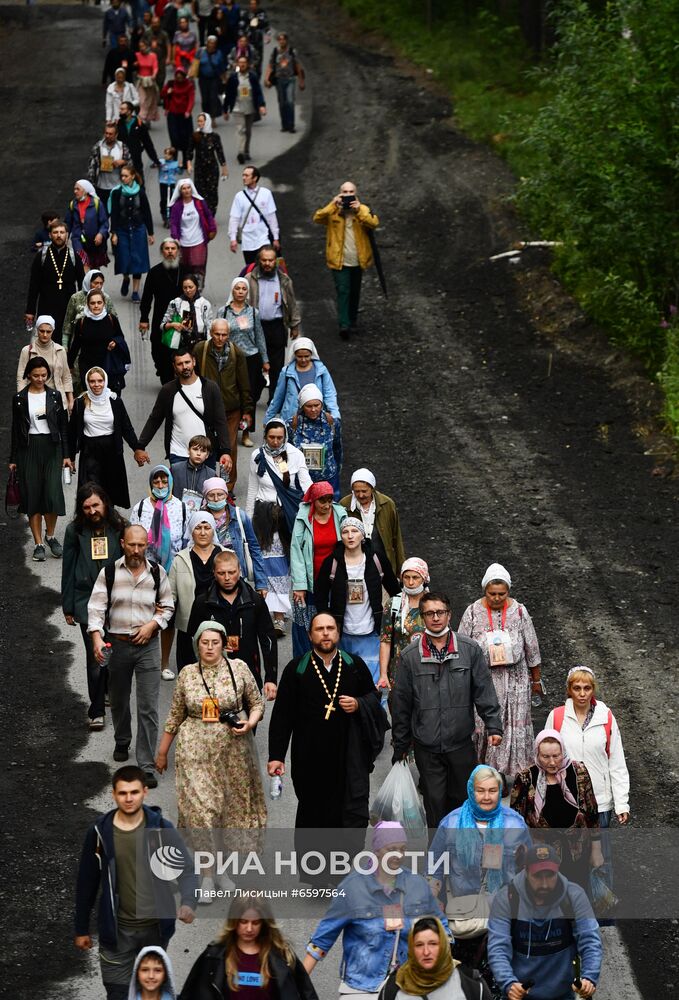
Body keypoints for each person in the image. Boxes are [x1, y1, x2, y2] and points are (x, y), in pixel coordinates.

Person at [155, 621, 266, 892]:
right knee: (202, 812)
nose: (209, 647)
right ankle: (206, 874)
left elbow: (257, 703)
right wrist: (162, 751)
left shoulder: (238, 668)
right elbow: (175, 714)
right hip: (195, 750)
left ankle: (222, 872)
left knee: (228, 813)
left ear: (224, 644)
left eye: (215, 642)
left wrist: (250, 723)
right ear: (196, 644)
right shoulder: (187, 674)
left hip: (233, 752)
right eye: (204, 642)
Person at [74, 766, 196, 1000]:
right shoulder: (100, 833)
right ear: (113, 794)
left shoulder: (161, 829)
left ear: (145, 792)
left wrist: (189, 902)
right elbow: (86, 882)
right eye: (122, 793)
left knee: (150, 993)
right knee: (118, 994)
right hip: (116, 931)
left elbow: (187, 871)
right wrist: (81, 928)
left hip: (156, 931)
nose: (128, 798)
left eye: (134, 792)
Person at [391, 592, 503, 828]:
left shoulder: (469, 650)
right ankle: (438, 857)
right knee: (434, 804)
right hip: (427, 747)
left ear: (449, 615)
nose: (435, 618)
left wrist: (493, 725)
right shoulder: (411, 656)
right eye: (429, 613)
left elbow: (484, 690)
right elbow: (401, 703)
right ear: (422, 617)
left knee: (463, 803)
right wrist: (400, 745)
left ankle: (463, 856)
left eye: (440, 612)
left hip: (461, 744)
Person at [268, 612, 387, 831]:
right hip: (309, 758)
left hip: (348, 756)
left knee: (348, 815)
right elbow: (282, 716)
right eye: (319, 629)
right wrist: (276, 756)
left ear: (338, 633)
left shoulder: (354, 665)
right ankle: (313, 863)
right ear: (310, 635)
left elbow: (374, 698)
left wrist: (359, 704)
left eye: (330, 629)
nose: (325, 634)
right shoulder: (297, 669)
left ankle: (345, 863)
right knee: (312, 815)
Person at [304, 823, 447, 999]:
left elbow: (442, 928)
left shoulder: (417, 884)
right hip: (362, 986)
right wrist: (295, 985)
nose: (398, 855)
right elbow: (321, 941)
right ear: (377, 850)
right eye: (391, 849)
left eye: (402, 849)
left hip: (407, 984)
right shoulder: (352, 888)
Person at [428, 766, 532, 984]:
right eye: (480, 790)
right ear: (470, 791)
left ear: (500, 791)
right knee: (463, 983)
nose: (486, 797)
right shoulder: (451, 823)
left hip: (504, 917)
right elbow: (434, 867)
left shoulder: (516, 824)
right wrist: (435, 900)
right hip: (463, 918)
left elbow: (527, 870)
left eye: (492, 791)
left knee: (500, 982)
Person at [87, 525, 175, 784]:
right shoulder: (110, 572)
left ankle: (146, 764)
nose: (137, 551)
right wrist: (96, 637)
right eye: (132, 545)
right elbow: (96, 607)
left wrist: (152, 625)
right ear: (123, 543)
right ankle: (122, 740)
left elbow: (168, 607)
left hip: (148, 647)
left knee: (148, 705)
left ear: (147, 545)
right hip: (118, 644)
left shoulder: (158, 573)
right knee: (119, 700)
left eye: (141, 545)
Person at [458, 563, 542, 778]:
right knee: (483, 722)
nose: (496, 598)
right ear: (484, 590)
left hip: (515, 678)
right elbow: (462, 645)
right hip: (483, 677)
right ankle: (485, 772)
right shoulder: (472, 612)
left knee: (513, 723)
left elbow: (531, 646)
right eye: (492, 593)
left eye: (501, 594)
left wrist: (536, 680)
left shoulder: (520, 611)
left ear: (509, 591)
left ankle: (512, 773)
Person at [487, 845, 602, 1000]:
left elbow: (591, 941)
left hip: (563, 995)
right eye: (537, 876)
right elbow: (498, 947)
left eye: (550, 875)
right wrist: (509, 983)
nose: (545, 884)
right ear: (526, 871)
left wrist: (589, 978)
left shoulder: (574, 896)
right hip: (521, 994)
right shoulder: (507, 899)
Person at [62, 483, 125, 731]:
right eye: (86, 507)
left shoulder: (120, 527)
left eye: (96, 505)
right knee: (95, 656)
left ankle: (108, 690)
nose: (92, 511)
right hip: (86, 601)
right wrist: (68, 606)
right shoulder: (75, 531)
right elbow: (68, 568)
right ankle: (96, 709)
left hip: (116, 601)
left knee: (114, 651)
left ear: (105, 504)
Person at [510, 730, 603, 894]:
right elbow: (516, 819)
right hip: (542, 854)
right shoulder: (525, 778)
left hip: (577, 850)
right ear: (537, 754)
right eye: (545, 757)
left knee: (575, 897)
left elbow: (592, 811)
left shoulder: (578, 771)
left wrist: (596, 849)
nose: (552, 762)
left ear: (563, 752)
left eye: (556, 756)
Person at [245, 419, 311, 636]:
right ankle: (266, 612)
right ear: (265, 436)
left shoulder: (296, 455)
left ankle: (280, 616)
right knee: (264, 564)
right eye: (271, 437)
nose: (275, 442)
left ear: (285, 437)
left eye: (279, 438)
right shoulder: (257, 456)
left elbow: (306, 485)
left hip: (286, 517)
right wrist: (247, 520)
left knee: (282, 567)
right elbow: (253, 488)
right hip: (263, 517)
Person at [180, 897, 318, 1000]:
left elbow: (307, 993)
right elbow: (189, 993)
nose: (249, 928)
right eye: (243, 922)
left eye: (256, 922)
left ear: (264, 922)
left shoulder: (282, 955)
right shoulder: (214, 955)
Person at [315, 517, 400, 685]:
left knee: (374, 681)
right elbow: (320, 596)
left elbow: (395, 591)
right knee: (346, 681)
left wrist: (392, 619)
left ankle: (374, 711)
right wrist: (327, 622)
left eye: (354, 531)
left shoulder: (376, 560)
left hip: (372, 633)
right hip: (343, 634)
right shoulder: (331, 563)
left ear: (363, 535)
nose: (350, 536)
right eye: (345, 532)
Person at [545, 666, 630, 828]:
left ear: (593, 690)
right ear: (569, 690)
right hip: (565, 798)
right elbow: (545, 760)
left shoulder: (606, 717)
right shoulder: (556, 717)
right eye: (577, 688)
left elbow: (616, 762)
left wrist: (621, 803)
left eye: (587, 688)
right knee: (566, 850)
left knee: (599, 851)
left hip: (600, 800)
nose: (582, 694)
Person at [186, 548, 277, 694]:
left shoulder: (254, 601)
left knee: (250, 716)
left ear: (240, 571)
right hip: (211, 679)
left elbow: (268, 639)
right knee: (213, 717)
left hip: (248, 674)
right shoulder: (203, 603)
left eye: (232, 572)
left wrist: (271, 678)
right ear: (214, 573)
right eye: (222, 573)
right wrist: (191, 677)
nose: (227, 578)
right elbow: (190, 639)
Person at [9, 357, 72, 562]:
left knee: (52, 494)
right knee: (33, 495)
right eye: (36, 375)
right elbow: (15, 431)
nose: (40, 379)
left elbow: (63, 427)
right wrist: (13, 458)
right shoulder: (19, 398)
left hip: (52, 448)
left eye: (44, 375)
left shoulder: (55, 395)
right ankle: (38, 543)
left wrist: (66, 455)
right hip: (28, 449)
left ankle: (51, 535)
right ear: (28, 374)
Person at [137, 348, 233, 472]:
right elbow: (155, 419)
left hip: (205, 452)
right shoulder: (168, 390)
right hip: (178, 452)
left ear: (194, 362)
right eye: (180, 364)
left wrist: (225, 451)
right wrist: (140, 446)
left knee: (206, 490)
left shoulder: (210, 387)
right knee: (180, 490)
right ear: (174, 366)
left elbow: (220, 421)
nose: (184, 367)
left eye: (187, 362)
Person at [68, 367, 149, 508]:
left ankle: (108, 522)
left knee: (110, 491)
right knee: (90, 490)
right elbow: (72, 431)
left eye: (100, 381)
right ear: (87, 383)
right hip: (90, 452)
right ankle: (91, 522)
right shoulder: (80, 402)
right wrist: (70, 457)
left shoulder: (115, 401)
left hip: (111, 450)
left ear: (105, 381)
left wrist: (137, 448)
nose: (96, 384)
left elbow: (126, 427)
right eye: (92, 381)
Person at [313, 180, 380, 339]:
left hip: (358, 259)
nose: (348, 195)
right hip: (339, 260)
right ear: (340, 194)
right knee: (343, 290)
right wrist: (332, 204)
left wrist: (359, 212)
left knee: (355, 291)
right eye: (345, 192)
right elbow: (317, 217)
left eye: (351, 192)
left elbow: (374, 223)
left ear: (355, 194)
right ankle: (344, 324)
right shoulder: (334, 210)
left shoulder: (362, 209)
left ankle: (352, 321)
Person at [193, 318, 253, 493]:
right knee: (204, 446)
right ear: (211, 333)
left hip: (230, 410)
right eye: (217, 334)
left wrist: (247, 410)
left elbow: (244, 383)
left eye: (224, 335)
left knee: (230, 447)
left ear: (229, 335)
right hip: (205, 409)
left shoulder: (237, 354)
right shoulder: (200, 350)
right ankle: (206, 483)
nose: (220, 338)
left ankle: (227, 487)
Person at [290, 481, 347, 656]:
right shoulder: (303, 518)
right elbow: (296, 550)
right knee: (306, 621)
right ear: (313, 500)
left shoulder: (340, 514)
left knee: (334, 620)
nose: (327, 505)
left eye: (330, 500)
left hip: (335, 579)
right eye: (322, 501)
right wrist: (300, 585)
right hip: (310, 580)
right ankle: (305, 661)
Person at [378, 917, 491, 1000]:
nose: (426, 952)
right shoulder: (394, 986)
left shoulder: (470, 983)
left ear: (443, 945)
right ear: (411, 948)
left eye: (433, 944)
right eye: (419, 945)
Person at [167, 510, 222, 674]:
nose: (203, 532)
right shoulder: (180, 559)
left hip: (220, 626)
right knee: (190, 678)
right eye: (198, 528)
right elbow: (171, 596)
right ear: (191, 530)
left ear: (213, 529)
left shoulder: (226, 556)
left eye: (207, 527)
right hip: (188, 628)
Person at [246, 244, 301, 401]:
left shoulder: (283, 280)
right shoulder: (249, 279)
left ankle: (274, 400)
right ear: (259, 261)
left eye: (271, 260)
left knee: (276, 366)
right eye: (264, 260)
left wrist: (295, 325)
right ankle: (253, 396)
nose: (267, 264)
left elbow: (291, 302)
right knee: (255, 363)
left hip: (276, 326)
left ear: (275, 261)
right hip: (256, 326)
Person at [217, 277, 268, 443]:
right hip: (229, 357)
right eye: (237, 288)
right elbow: (216, 333)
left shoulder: (253, 312)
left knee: (249, 396)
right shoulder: (223, 312)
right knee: (229, 393)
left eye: (243, 289)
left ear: (247, 292)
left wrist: (265, 360)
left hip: (250, 358)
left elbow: (260, 337)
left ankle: (246, 433)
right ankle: (227, 430)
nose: (240, 291)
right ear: (232, 290)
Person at [25, 218, 85, 346]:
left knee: (67, 340)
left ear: (67, 235)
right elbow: (33, 285)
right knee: (45, 339)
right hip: (46, 305)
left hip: (69, 306)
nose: (59, 235)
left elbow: (82, 283)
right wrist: (30, 310)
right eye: (55, 232)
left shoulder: (74, 256)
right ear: (50, 235)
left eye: (62, 232)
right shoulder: (42, 256)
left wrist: (83, 308)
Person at [200, 477, 268, 589]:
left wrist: (261, 583)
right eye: (211, 495)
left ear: (226, 495)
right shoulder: (200, 518)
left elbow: (254, 548)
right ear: (206, 497)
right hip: (209, 577)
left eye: (220, 494)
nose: (216, 499)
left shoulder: (240, 516)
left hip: (236, 576)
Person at [340, 468, 406, 576]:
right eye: (356, 491)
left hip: (384, 565)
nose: (361, 495)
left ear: (372, 488)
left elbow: (396, 538)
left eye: (364, 491)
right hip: (356, 568)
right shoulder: (344, 505)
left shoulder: (387, 504)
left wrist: (402, 569)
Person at [378, 557, 428, 696]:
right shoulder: (393, 605)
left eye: (415, 577)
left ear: (424, 578)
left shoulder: (433, 603)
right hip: (399, 671)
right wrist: (383, 674)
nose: (410, 582)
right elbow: (385, 641)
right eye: (406, 577)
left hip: (428, 670)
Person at [67, 289, 130, 396]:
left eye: (99, 302)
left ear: (104, 304)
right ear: (88, 304)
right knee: (90, 397)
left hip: (108, 365)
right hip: (87, 366)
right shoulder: (82, 322)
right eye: (92, 303)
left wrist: (115, 342)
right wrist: (70, 364)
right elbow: (76, 344)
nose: (96, 306)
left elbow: (120, 336)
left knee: (110, 398)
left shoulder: (111, 319)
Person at [139, 237, 183, 384]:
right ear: (162, 252)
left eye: (173, 249)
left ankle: (172, 378)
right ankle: (163, 369)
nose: (170, 252)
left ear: (178, 251)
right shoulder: (154, 272)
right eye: (167, 249)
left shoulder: (185, 271)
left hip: (181, 318)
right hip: (160, 317)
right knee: (157, 350)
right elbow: (146, 297)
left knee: (178, 349)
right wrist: (144, 318)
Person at [265, 337, 340, 424]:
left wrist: (335, 415)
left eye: (306, 356)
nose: (303, 360)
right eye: (300, 356)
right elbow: (278, 397)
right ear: (294, 355)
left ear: (311, 354)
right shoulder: (286, 372)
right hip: (291, 419)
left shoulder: (321, 371)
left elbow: (329, 393)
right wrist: (268, 419)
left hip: (316, 417)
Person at [109, 163, 155, 302]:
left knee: (138, 260)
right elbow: (115, 213)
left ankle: (135, 291)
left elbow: (146, 212)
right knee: (123, 258)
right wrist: (114, 232)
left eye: (126, 176)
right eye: (121, 176)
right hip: (122, 230)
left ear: (133, 176)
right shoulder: (117, 192)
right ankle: (125, 278)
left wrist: (150, 233)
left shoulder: (140, 192)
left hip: (138, 229)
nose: (123, 178)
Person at [287, 385, 343, 497]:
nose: (313, 409)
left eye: (316, 405)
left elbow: (338, 448)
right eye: (309, 406)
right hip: (300, 481)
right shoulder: (291, 425)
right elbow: (283, 453)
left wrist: (337, 469)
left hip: (328, 479)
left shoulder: (332, 423)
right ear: (302, 406)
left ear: (322, 404)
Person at [130, 465, 188, 571]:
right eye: (156, 482)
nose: (160, 486)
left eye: (165, 482)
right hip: (146, 568)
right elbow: (132, 539)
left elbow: (187, 540)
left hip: (175, 568)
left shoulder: (181, 507)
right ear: (151, 484)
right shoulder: (140, 508)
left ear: (170, 483)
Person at [16, 314, 73, 412]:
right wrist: (22, 398)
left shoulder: (60, 350)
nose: (45, 334)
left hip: (57, 399)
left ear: (53, 331)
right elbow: (21, 377)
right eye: (42, 331)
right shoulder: (27, 351)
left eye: (48, 331)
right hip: (34, 397)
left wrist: (70, 400)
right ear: (37, 330)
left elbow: (66, 376)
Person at [168, 177, 217, 285]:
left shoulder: (199, 203)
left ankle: (198, 287)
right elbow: (174, 223)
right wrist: (175, 237)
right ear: (180, 191)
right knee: (186, 267)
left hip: (198, 240)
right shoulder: (177, 206)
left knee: (198, 265)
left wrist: (212, 229)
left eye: (188, 188)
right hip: (183, 242)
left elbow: (208, 216)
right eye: (184, 188)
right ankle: (187, 288)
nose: (186, 190)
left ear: (192, 189)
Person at [228, 165, 279, 263]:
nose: (244, 178)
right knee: (251, 269)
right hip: (248, 241)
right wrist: (233, 239)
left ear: (255, 178)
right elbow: (234, 218)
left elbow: (272, 217)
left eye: (247, 175)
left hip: (264, 237)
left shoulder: (266, 193)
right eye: (243, 175)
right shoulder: (239, 197)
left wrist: (275, 237)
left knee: (265, 264)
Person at [62, 269, 119, 354]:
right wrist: (65, 345)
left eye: (101, 283)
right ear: (88, 282)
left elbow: (114, 322)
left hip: (102, 347)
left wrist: (114, 341)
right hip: (79, 345)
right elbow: (68, 323)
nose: (99, 286)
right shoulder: (75, 298)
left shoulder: (106, 298)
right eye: (95, 283)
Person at [223, 56, 266, 164]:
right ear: (237, 64)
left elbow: (258, 92)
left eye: (244, 63)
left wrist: (261, 105)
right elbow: (228, 94)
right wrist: (225, 110)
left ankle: (246, 151)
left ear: (248, 64)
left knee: (248, 131)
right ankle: (241, 152)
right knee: (240, 130)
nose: (242, 65)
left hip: (250, 107)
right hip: (237, 108)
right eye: (240, 62)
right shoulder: (233, 78)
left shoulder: (252, 77)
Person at [187, 112, 228, 215]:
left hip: (212, 168)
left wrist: (224, 167)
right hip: (199, 168)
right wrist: (189, 163)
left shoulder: (215, 137)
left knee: (212, 191)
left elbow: (219, 152)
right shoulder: (195, 135)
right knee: (199, 190)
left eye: (201, 121)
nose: (199, 123)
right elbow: (190, 150)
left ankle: (211, 212)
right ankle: (201, 212)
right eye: (198, 121)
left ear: (207, 121)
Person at [264, 32, 305, 133]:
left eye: (284, 39)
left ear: (287, 40)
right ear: (278, 41)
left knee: (290, 102)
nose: (282, 41)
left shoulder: (291, 52)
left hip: (290, 79)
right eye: (280, 39)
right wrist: (266, 78)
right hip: (279, 80)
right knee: (282, 103)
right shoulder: (275, 52)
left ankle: (291, 125)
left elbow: (298, 67)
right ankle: (284, 124)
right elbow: (270, 66)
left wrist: (301, 81)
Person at [65, 179, 110, 270]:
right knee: (83, 263)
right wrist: (65, 237)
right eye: (74, 189)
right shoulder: (72, 204)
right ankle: (84, 283)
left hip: (94, 242)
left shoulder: (97, 204)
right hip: (78, 240)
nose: (75, 191)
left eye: (78, 189)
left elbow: (104, 223)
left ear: (85, 190)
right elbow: (67, 224)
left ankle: (93, 282)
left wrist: (100, 234)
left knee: (94, 268)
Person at [161, 273, 213, 350]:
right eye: (185, 288)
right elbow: (162, 325)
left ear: (196, 286)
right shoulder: (176, 303)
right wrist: (173, 325)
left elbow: (209, 327)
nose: (188, 290)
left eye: (190, 287)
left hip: (201, 344)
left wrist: (209, 346)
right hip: (182, 344)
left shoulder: (204, 304)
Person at [160, 67, 196, 170]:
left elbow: (191, 99)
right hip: (173, 116)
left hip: (184, 116)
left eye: (181, 77)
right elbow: (162, 95)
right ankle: (174, 162)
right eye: (177, 77)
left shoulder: (189, 85)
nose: (179, 79)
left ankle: (185, 162)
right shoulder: (171, 84)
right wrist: (168, 92)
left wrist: (188, 111)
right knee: (174, 140)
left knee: (186, 141)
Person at [88, 123, 131, 205]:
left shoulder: (122, 147)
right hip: (101, 187)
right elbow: (91, 166)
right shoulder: (98, 147)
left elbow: (131, 165)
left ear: (116, 135)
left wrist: (123, 162)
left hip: (117, 186)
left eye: (110, 134)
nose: (107, 136)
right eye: (106, 133)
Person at [118, 100, 161, 179]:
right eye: (120, 109)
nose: (120, 111)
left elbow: (147, 143)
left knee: (139, 181)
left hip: (135, 160)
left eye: (123, 109)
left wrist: (155, 159)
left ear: (129, 111)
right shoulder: (118, 124)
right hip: (122, 160)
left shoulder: (140, 125)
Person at [170, 433, 216, 506]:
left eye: (203, 451)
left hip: (200, 514)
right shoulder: (175, 469)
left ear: (207, 455)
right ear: (188, 451)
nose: (198, 453)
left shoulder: (211, 474)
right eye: (195, 449)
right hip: (176, 511)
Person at [195, 36, 228, 119]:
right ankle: (206, 116)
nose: (211, 45)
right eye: (210, 42)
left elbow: (222, 67)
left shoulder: (219, 53)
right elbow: (195, 64)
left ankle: (212, 117)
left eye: (213, 43)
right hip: (203, 79)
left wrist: (224, 79)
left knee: (213, 98)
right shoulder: (201, 52)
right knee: (205, 99)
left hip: (214, 78)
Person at [134, 40, 161, 123]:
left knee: (149, 100)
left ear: (147, 46)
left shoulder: (153, 56)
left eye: (143, 46)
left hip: (150, 81)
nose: (142, 48)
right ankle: (141, 117)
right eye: (140, 47)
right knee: (142, 100)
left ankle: (148, 118)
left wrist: (154, 75)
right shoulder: (137, 55)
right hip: (141, 80)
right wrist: (135, 65)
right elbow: (133, 65)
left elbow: (155, 67)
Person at [145, 15, 171, 88]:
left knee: (161, 77)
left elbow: (168, 45)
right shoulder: (147, 32)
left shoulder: (164, 34)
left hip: (161, 59)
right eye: (153, 23)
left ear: (159, 23)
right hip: (149, 59)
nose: (155, 25)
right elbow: (142, 43)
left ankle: (159, 93)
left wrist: (168, 57)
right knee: (150, 77)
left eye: (156, 23)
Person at [158, 146, 181, 228]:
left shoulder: (175, 164)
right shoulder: (161, 162)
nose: (165, 156)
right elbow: (154, 165)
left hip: (171, 183)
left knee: (172, 200)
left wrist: (180, 167)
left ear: (172, 155)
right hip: (163, 183)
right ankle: (164, 216)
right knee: (164, 200)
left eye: (167, 154)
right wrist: (157, 164)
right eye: (165, 154)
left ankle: (171, 217)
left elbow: (179, 172)